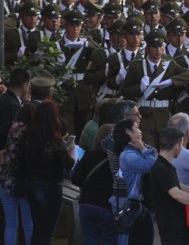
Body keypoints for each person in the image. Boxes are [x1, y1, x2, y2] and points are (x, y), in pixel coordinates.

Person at [21, 101, 76, 245]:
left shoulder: (28, 136)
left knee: (37, 228)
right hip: (50, 186)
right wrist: (70, 151)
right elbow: (68, 164)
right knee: (47, 230)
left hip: (31, 183)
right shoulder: (55, 141)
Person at [113, 117, 157, 244]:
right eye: (136, 127)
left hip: (140, 205)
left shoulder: (133, 152)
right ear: (128, 132)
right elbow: (152, 165)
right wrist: (143, 148)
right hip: (133, 206)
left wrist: (143, 147)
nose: (140, 131)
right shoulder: (128, 156)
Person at [71, 124, 117, 245]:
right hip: (107, 206)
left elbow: (75, 179)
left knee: (89, 239)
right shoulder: (115, 160)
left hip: (86, 204)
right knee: (109, 239)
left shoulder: (89, 155)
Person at [0, 102, 36, 245]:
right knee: (28, 223)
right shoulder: (30, 132)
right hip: (23, 182)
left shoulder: (12, 128)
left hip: (5, 179)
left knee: (10, 222)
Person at [0, 68, 31, 150]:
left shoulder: (4, 98)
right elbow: (5, 133)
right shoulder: (13, 106)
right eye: (28, 86)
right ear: (25, 85)